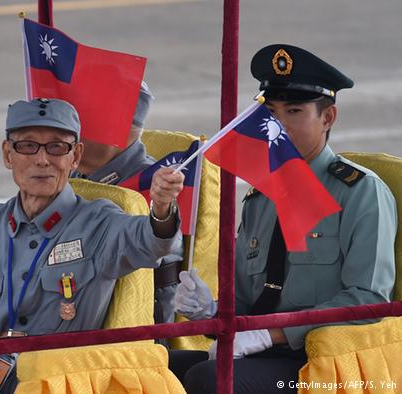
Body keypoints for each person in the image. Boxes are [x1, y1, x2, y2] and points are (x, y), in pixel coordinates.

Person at [169, 44, 397, 394]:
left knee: (209, 379)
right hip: (263, 353)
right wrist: (211, 311)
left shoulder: (358, 191)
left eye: (294, 111)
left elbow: (366, 299)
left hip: (321, 362)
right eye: (271, 113)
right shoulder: (261, 197)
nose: (278, 126)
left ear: (328, 118)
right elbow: (248, 299)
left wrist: (269, 334)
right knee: (155, 364)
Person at [0, 98, 185, 393]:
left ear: (75, 156)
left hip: (59, 382)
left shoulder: (99, 222)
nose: (42, 159)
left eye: (57, 147)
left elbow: (151, 241)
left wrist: (161, 206)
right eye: (27, 146)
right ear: (8, 154)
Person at [71, 81, 184, 329]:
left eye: (82, 126)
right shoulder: (73, 175)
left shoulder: (153, 183)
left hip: (133, 326)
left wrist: (162, 206)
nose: (71, 137)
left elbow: (164, 243)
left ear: (118, 132)